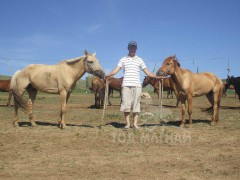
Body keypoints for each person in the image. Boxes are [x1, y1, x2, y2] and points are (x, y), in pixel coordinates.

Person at [106, 41, 162, 129]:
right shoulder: (123, 59)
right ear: (128, 48)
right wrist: (109, 74)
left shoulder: (140, 59)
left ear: (136, 49)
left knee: (136, 105)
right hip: (126, 85)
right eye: (131, 47)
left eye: (134, 47)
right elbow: (117, 69)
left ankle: (135, 124)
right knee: (126, 104)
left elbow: (146, 71)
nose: (132, 49)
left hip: (137, 85)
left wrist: (155, 76)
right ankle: (127, 124)